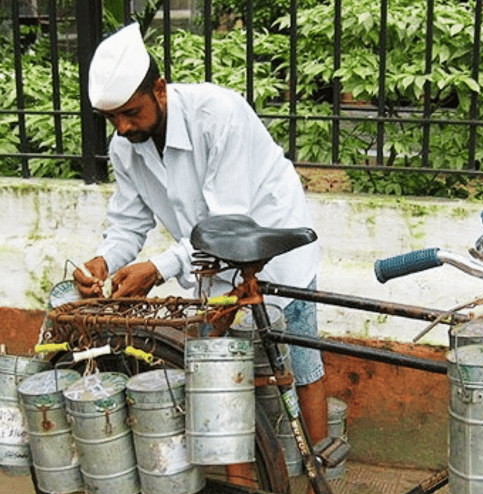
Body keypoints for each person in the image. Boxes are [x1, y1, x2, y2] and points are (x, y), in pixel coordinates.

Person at [73, 23, 328, 452]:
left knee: (301, 369)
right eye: (111, 119)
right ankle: (240, 493)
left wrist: (157, 269)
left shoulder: (219, 114)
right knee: (221, 389)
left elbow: (227, 223)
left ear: (160, 88)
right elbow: (128, 224)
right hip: (207, 269)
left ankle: (324, 486)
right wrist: (105, 260)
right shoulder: (125, 147)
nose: (122, 127)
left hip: (275, 249)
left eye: (131, 113)